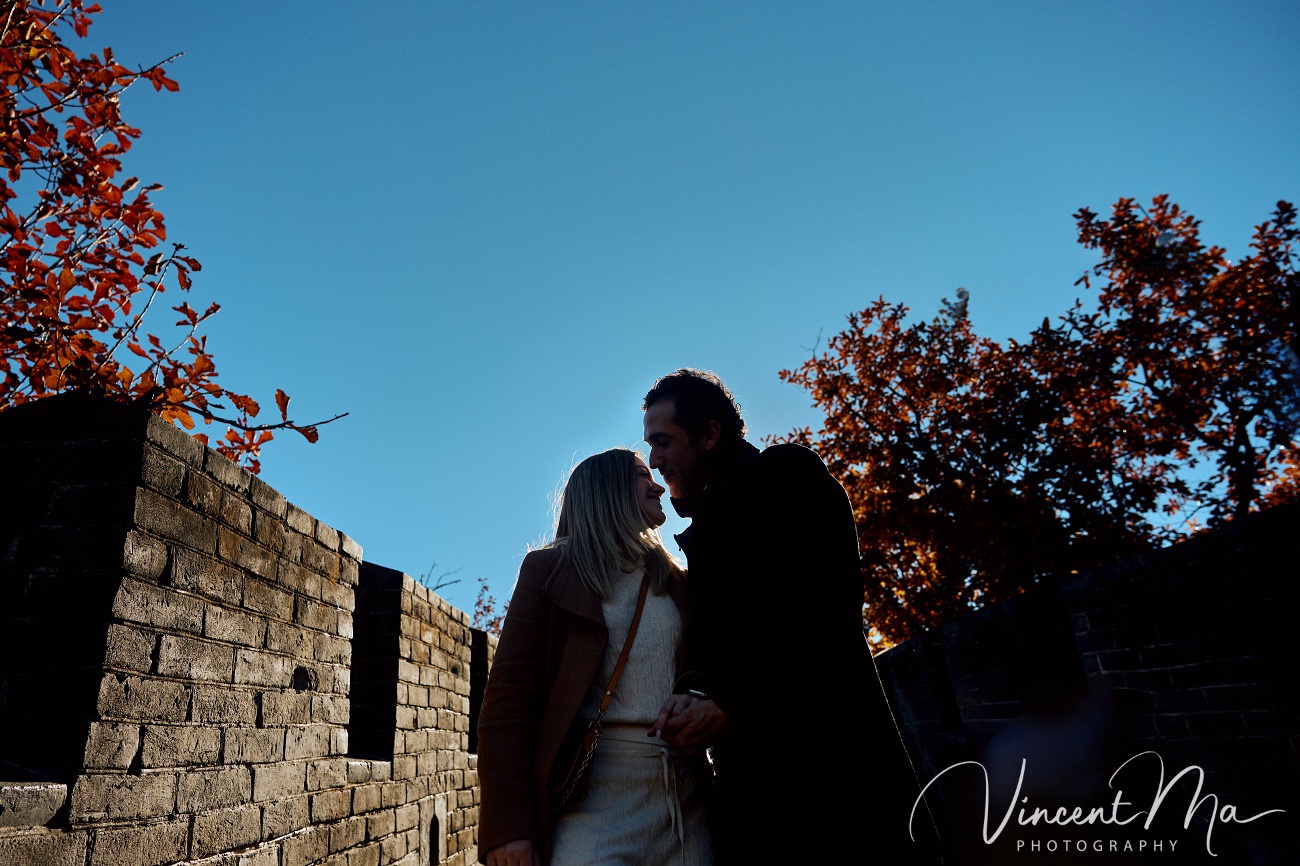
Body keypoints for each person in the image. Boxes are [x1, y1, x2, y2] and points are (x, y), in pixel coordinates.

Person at [642, 368, 942, 863]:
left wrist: (734, 700)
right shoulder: (708, 532)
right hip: (758, 793)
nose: (655, 461)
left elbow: (825, 611)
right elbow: (721, 642)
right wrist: (693, 691)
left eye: (663, 441)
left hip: (837, 774)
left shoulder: (785, 475)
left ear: (710, 434)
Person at [477, 447, 714, 866]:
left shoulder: (679, 582)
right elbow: (508, 705)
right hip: (590, 805)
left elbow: (711, 668)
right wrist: (508, 827)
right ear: (608, 489)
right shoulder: (548, 571)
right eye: (643, 475)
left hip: (686, 804)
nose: (657, 484)